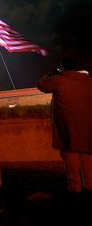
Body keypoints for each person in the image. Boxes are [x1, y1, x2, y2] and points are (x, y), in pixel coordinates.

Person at [37, 57, 92, 195]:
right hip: (87, 126)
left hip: (67, 127)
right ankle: (89, 186)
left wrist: (48, 75)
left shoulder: (59, 80)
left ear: (63, 67)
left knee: (71, 159)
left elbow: (41, 85)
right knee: (88, 158)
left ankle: (75, 188)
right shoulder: (88, 81)